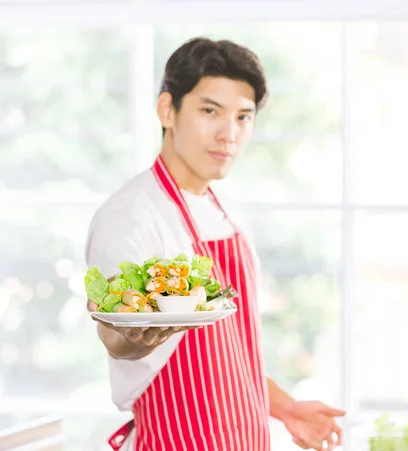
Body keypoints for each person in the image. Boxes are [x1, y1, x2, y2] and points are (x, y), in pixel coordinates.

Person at [85, 37, 346, 451]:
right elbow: (116, 333)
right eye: (210, 111)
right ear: (167, 109)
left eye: (243, 117)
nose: (229, 134)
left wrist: (287, 408)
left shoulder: (224, 207)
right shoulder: (131, 215)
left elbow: (230, 355)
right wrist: (133, 334)